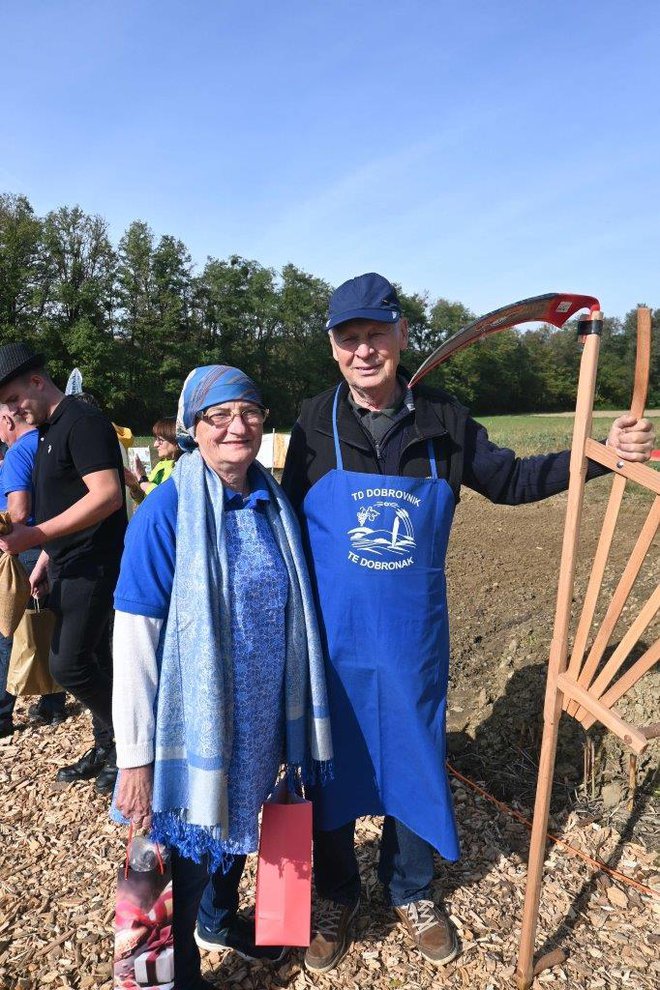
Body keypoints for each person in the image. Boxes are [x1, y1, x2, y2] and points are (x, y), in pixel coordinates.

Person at [280, 273, 656, 972]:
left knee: (414, 759)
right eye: (349, 338)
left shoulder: (443, 420)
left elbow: (512, 482)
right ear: (334, 348)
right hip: (329, 643)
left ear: (399, 336)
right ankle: (335, 892)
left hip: (412, 638)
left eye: (376, 335)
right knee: (328, 764)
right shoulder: (310, 423)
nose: (365, 351)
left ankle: (413, 890)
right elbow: (280, 524)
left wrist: (599, 455)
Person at [111, 365, 332, 990]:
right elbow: (136, 636)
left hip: (257, 720)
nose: (238, 427)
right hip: (189, 729)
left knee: (240, 825)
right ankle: (173, 974)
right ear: (193, 429)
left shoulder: (271, 502)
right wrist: (134, 759)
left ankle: (219, 919)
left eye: (251, 413)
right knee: (179, 858)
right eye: (220, 417)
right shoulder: (168, 511)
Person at [0, 343, 127, 793]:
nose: (11, 412)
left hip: (97, 567)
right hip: (68, 563)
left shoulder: (83, 421)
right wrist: (46, 559)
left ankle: (134, 746)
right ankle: (108, 745)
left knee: (70, 665)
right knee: (93, 661)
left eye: (13, 399)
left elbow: (107, 495)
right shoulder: (50, 430)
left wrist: (34, 538)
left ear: (37, 381)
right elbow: (69, 502)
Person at [0, 408, 67, 733]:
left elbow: (19, 512)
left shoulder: (17, 453)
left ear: (7, 421)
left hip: (23, 553)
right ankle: (53, 705)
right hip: (56, 548)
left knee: (5, 633)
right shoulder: (51, 444)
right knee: (50, 624)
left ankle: (2, 715)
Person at [124, 416, 182, 505]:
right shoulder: (162, 464)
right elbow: (145, 500)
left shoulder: (182, 468)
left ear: (177, 441)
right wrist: (134, 486)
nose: (155, 445)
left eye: (161, 440)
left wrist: (142, 479)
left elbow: (163, 500)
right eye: (156, 439)